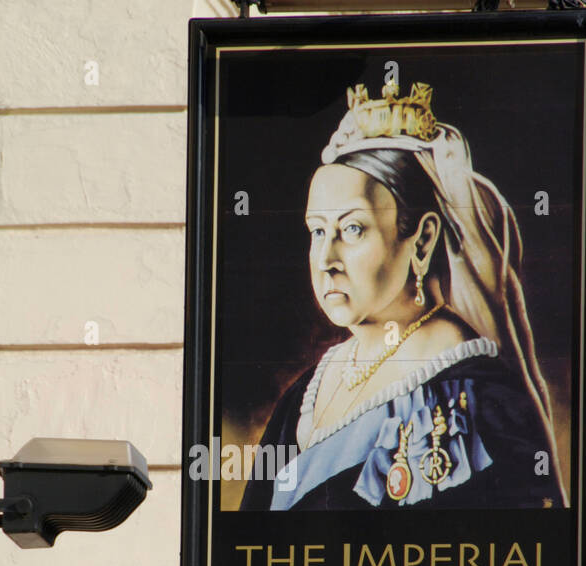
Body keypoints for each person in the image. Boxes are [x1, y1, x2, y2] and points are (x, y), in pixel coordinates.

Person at [239, 80, 566, 512]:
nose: (326, 259)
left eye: (353, 229)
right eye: (318, 231)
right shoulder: (303, 398)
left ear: (423, 239)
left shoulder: (477, 395)